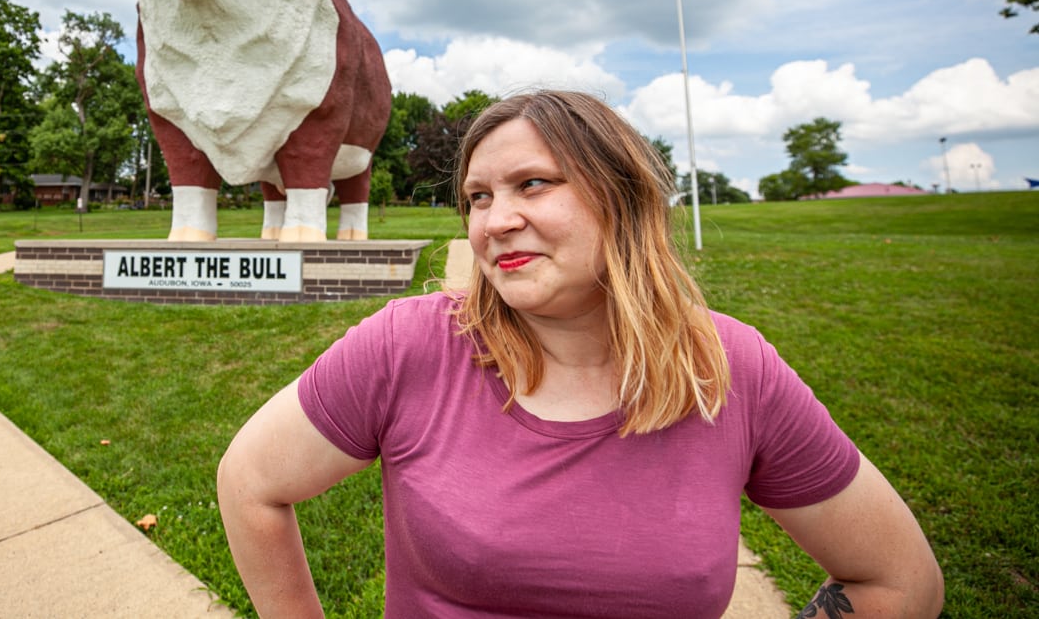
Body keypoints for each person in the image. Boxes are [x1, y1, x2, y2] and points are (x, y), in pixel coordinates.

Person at [217, 90, 943, 618]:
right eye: (477, 196)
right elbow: (250, 479)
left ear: (620, 196)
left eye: (532, 183)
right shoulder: (410, 344)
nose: (496, 220)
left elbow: (899, 580)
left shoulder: (731, 367)